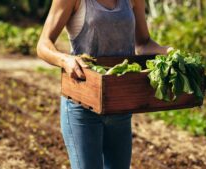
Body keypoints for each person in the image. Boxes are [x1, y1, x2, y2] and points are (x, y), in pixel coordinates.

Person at [37, 0, 171, 168]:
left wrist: (170, 52)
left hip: (119, 103)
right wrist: (65, 60)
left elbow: (143, 44)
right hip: (82, 105)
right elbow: (43, 44)